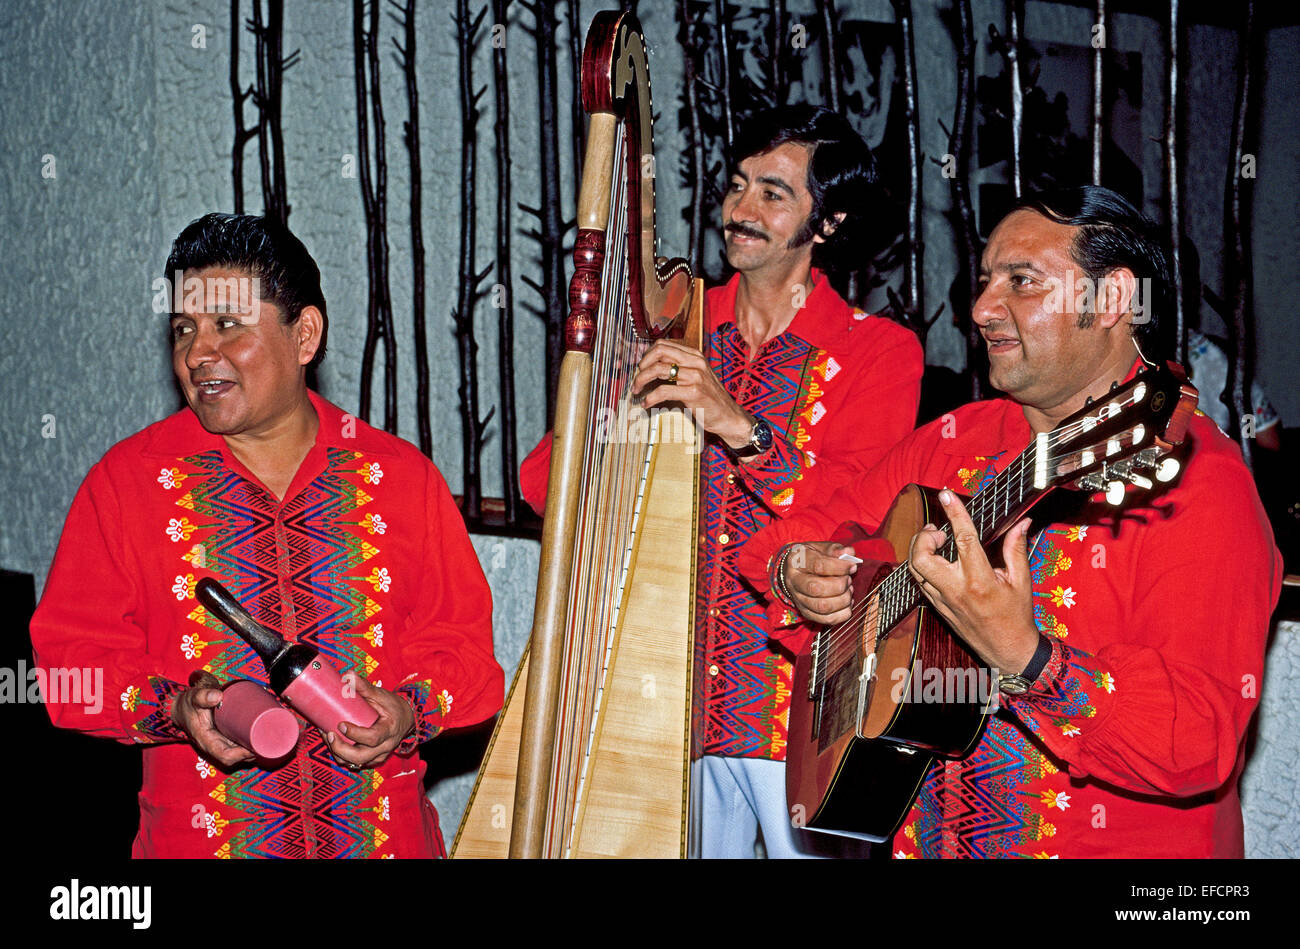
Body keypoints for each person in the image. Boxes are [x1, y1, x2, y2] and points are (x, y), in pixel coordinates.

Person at [741, 186, 1281, 858]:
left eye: (1021, 281)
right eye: (987, 279)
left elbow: (1196, 742)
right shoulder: (952, 440)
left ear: (1114, 299)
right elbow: (795, 535)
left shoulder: (1201, 484)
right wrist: (798, 574)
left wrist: (1027, 656)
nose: (981, 308)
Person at [30, 213, 503, 858]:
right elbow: (67, 672)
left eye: (228, 325)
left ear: (304, 334)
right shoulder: (127, 484)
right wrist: (175, 709)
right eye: (184, 330)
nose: (200, 354)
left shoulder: (399, 478)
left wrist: (406, 713)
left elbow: (470, 661)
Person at [520, 105, 923, 857]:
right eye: (738, 185)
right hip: (669, 704)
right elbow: (547, 486)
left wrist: (741, 427)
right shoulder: (674, 329)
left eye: (773, 193)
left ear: (827, 222)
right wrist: (606, 378)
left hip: (801, 711)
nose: (740, 210)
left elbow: (856, 517)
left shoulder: (879, 353)